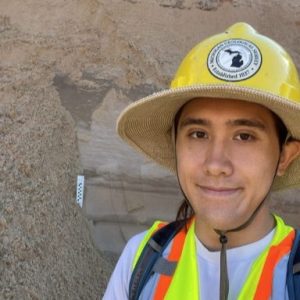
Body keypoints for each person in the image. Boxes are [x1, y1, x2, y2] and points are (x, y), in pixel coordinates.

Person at [103, 23, 300, 300]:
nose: (215, 164)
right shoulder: (141, 258)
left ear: (285, 156)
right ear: (176, 145)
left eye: (244, 136)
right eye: (198, 134)